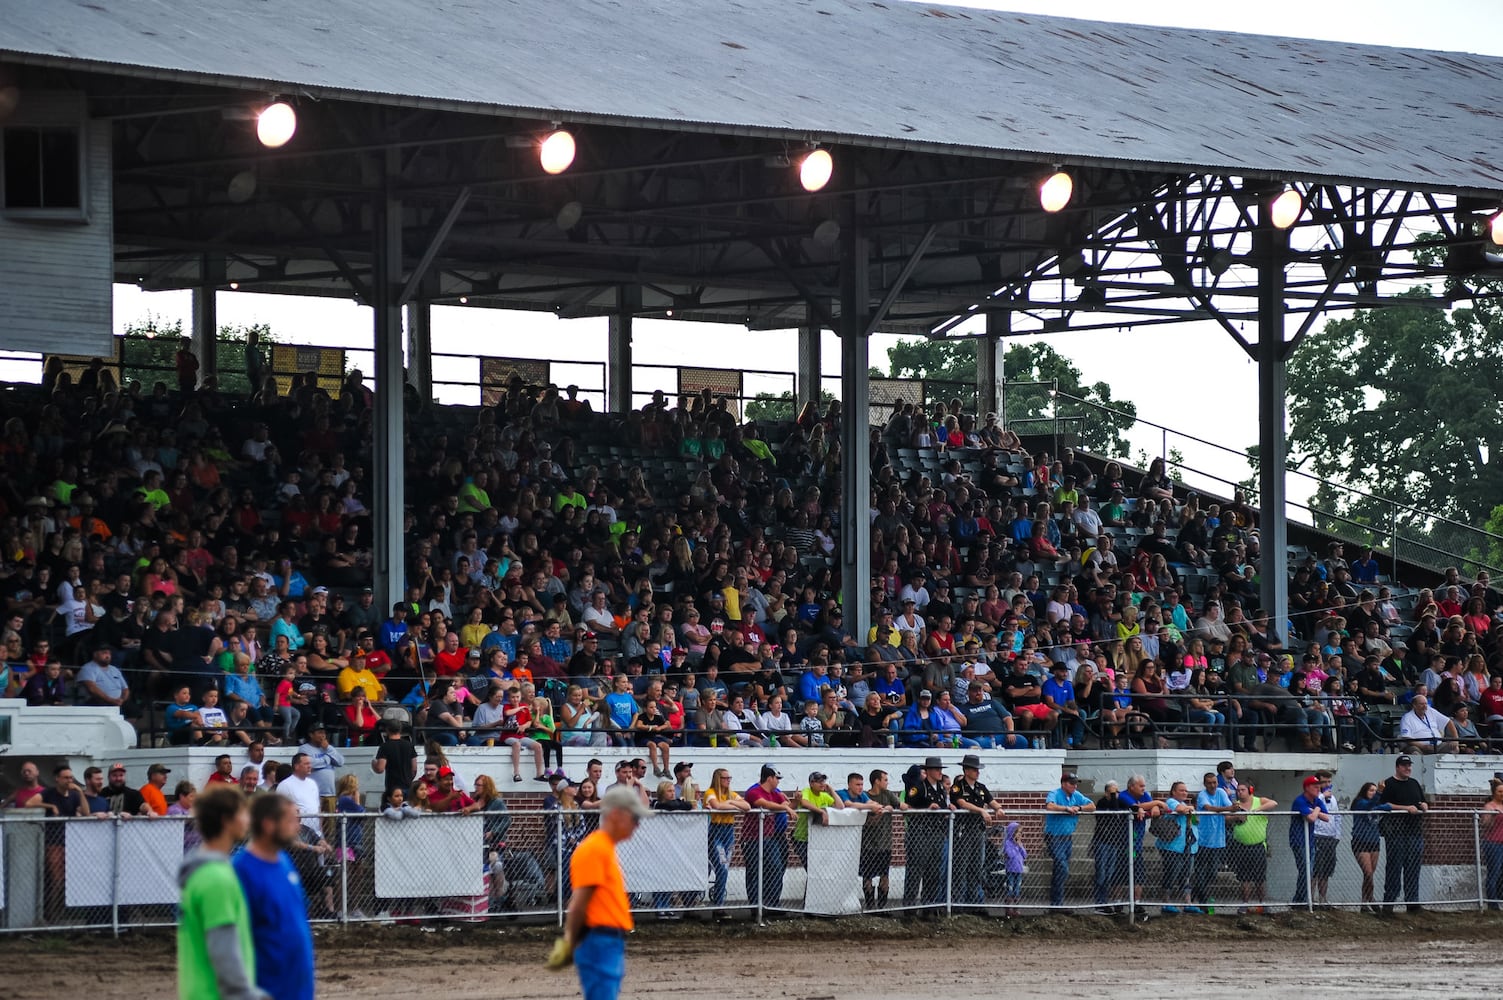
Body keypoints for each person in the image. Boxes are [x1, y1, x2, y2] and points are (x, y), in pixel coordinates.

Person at [552, 785, 651, 1000]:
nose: (637, 825)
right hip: (598, 939)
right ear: (616, 814)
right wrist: (569, 941)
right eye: (635, 818)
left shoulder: (604, 848)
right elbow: (579, 903)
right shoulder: (595, 849)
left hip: (605, 939)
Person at [177, 786, 268, 1000]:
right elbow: (222, 947)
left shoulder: (202, 873)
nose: (248, 819)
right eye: (243, 813)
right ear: (227, 820)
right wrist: (245, 994)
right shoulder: (216, 878)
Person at [232, 794, 315, 1000]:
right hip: (266, 987)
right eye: (290, 821)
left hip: (297, 986)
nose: (297, 828)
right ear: (269, 825)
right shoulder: (241, 871)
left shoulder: (284, 861)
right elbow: (230, 940)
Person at [949, 755, 1002, 906]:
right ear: (966, 770)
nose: (977, 772)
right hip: (964, 831)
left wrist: (998, 808)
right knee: (961, 867)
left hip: (978, 831)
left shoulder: (981, 787)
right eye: (974, 769)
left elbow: (991, 801)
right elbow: (962, 803)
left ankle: (973, 904)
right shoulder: (958, 787)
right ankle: (957, 903)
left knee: (976, 867)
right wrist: (981, 811)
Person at [742, 764, 796, 910]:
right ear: (769, 778)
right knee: (754, 871)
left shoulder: (774, 792)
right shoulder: (754, 792)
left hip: (769, 837)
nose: (778, 781)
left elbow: (786, 803)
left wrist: (788, 804)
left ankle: (771, 904)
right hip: (752, 838)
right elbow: (764, 804)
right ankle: (755, 906)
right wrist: (784, 806)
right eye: (776, 778)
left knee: (775, 868)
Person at [1379, 754, 1428, 912]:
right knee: (1394, 867)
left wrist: (1423, 805)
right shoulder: (1389, 783)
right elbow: (1384, 804)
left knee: (1413, 868)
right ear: (1398, 767)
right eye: (1405, 765)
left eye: (1409, 765)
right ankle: (1389, 904)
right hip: (1396, 832)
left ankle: (1412, 903)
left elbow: (1420, 800)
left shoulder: (1414, 783)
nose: (1408, 768)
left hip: (1414, 832)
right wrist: (1406, 808)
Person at [903, 756, 951, 914]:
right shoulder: (919, 787)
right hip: (921, 832)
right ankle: (909, 908)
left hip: (937, 832)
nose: (939, 772)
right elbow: (910, 804)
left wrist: (947, 808)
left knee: (934, 871)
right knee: (916, 870)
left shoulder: (941, 789)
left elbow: (943, 805)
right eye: (937, 770)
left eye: (940, 770)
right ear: (929, 771)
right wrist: (927, 806)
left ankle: (928, 907)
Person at [1042, 771, 1093, 908]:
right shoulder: (1055, 793)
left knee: (1060, 869)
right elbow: (1050, 806)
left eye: (1075, 784)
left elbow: (1092, 806)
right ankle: (1056, 901)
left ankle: (1057, 903)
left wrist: (1079, 807)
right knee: (1061, 866)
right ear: (1064, 784)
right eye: (1071, 783)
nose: (1074, 786)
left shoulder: (1077, 795)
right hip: (1053, 836)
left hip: (1067, 837)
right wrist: (1066, 808)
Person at [702, 767, 749, 918]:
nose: (728, 780)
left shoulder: (731, 794)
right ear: (718, 779)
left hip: (728, 831)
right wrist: (733, 805)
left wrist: (729, 802)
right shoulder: (710, 792)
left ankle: (719, 905)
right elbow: (717, 806)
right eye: (725, 778)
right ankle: (717, 905)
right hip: (715, 830)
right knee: (720, 867)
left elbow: (747, 807)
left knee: (725, 868)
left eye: (730, 778)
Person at [1228, 782, 1277, 914]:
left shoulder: (1259, 801)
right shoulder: (1236, 805)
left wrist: (1255, 811)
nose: (1240, 792)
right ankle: (1245, 904)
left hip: (1258, 845)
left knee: (1260, 878)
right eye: (1238, 790)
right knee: (1244, 878)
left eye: (1242, 790)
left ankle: (1262, 903)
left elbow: (1273, 803)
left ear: (1250, 790)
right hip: (1241, 846)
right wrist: (1236, 816)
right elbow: (1226, 818)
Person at [1192, 771, 1234, 911]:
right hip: (1203, 840)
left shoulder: (1221, 792)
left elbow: (1230, 808)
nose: (1212, 785)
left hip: (1218, 840)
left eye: (1214, 782)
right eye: (1209, 783)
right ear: (1205, 784)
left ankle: (1195, 894)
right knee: (1201, 871)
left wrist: (1234, 810)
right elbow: (1209, 808)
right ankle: (1202, 902)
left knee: (1212, 872)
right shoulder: (1202, 795)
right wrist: (1228, 808)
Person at [1288, 776, 1330, 907]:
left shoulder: (1316, 800)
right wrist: (1316, 810)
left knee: (1309, 871)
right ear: (1307, 787)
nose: (1318, 789)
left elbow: (1326, 817)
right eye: (1315, 786)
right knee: (1305, 870)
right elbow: (1311, 818)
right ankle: (1301, 900)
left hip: (1310, 840)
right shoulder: (1300, 800)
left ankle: (1300, 900)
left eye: (1319, 786)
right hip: (1299, 840)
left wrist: (1315, 810)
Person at [1091, 779, 1131, 914]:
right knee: (1101, 874)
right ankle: (1100, 903)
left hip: (1114, 843)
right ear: (1106, 792)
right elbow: (1113, 814)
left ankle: (1105, 902)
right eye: (1112, 792)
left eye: (1117, 792)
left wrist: (1117, 797)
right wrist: (1113, 797)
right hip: (1102, 842)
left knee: (1109, 874)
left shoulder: (1120, 802)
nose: (1115, 795)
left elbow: (1126, 808)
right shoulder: (1102, 803)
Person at [1350, 781, 1391, 913]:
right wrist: (1379, 793)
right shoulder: (1359, 802)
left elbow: (1388, 807)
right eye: (1371, 790)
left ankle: (1363, 903)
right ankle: (1371, 898)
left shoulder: (1377, 803)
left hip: (1374, 841)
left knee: (1370, 875)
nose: (1373, 793)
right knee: (1368, 873)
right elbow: (1369, 806)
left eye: (1375, 790)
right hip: (1360, 841)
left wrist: (1382, 805)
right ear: (1364, 791)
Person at [1310, 772, 1342, 907]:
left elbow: (1337, 816)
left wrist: (1337, 835)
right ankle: (1311, 899)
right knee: (1315, 871)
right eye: (1324, 782)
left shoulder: (1333, 798)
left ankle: (1323, 899)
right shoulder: (1314, 797)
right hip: (1317, 836)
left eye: (1329, 782)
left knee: (1326, 872)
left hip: (1330, 838)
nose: (1328, 785)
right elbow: (1311, 809)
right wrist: (1322, 796)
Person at [371, 718, 418, 798]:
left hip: (392, 787)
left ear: (387, 730)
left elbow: (380, 769)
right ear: (400, 729)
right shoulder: (409, 745)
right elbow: (414, 769)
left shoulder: (385, 746)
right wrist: (409, 779)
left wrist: (373, 764)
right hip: (407, 785)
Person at [1482, 778, 1503, 910]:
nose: (1502, 794)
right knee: (1494, 873)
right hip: (1493, 843)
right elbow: (1485, 824)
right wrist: (1493, 816)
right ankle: (1492, 904)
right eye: (1500, 791)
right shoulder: (1489, 806)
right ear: (1494, 792)